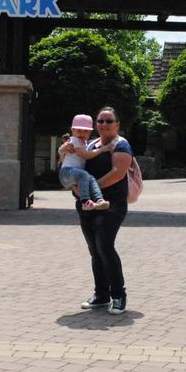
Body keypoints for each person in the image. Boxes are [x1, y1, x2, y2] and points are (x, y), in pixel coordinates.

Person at [59, 106, 132, 315]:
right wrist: (63, 152)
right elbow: (71, 164)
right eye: (100, 121)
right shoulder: (88, 144)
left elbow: (118, 173)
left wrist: (91, 188)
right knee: (95, 250)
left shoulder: (121, 145)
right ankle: (101, 295)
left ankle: (118, 295)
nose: (104, 124)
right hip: (87, 205)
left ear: (117, 124)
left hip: (111, 205)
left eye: (109, 121)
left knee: (105, 247)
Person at [59, 114, 114, 211]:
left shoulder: (84, 143)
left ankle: (99, 199)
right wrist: (102, 149)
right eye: (79, 130)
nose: (82, 133)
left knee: (91, 179)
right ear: (72, 130)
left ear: (90, 132)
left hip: (73, 174)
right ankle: (85, 202)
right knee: (84, 174)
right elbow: (85, 155)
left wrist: (61, 151)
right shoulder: (74, 140)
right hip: (67, 172)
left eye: (85, 131)